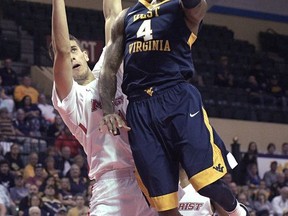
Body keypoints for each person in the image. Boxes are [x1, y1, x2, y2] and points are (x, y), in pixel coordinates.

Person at [98, 0, 249, 215]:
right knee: (164, 205)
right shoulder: (125, 17)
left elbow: (196, 7)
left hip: (176, 97)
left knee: (205, 182)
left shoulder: (181, 6)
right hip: (140, 108)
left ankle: (237, 212)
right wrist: (108, 110)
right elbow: (109, 69)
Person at [49, 0, 157, 215]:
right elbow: (60, 50)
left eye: (74, 51)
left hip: (148, 173)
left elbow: (112, 17)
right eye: (65, 55)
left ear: (86, 55)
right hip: (110, 186)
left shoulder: (109, 69)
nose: (70, 56)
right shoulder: (70, 98)